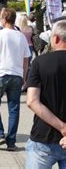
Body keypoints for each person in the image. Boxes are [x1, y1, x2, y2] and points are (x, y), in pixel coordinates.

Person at [0, 8, 31, 151]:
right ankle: (11, 141)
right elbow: (26, 59)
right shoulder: (21, 36)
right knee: (14, 109)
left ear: (4, 19)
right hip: (17, 75)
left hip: (0, 73)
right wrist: (24, 77)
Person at [25, 19, 66, 168]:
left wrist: (62, 127)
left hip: (43, 138)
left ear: (55, 38)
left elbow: (32, 101)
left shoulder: (40, 62)